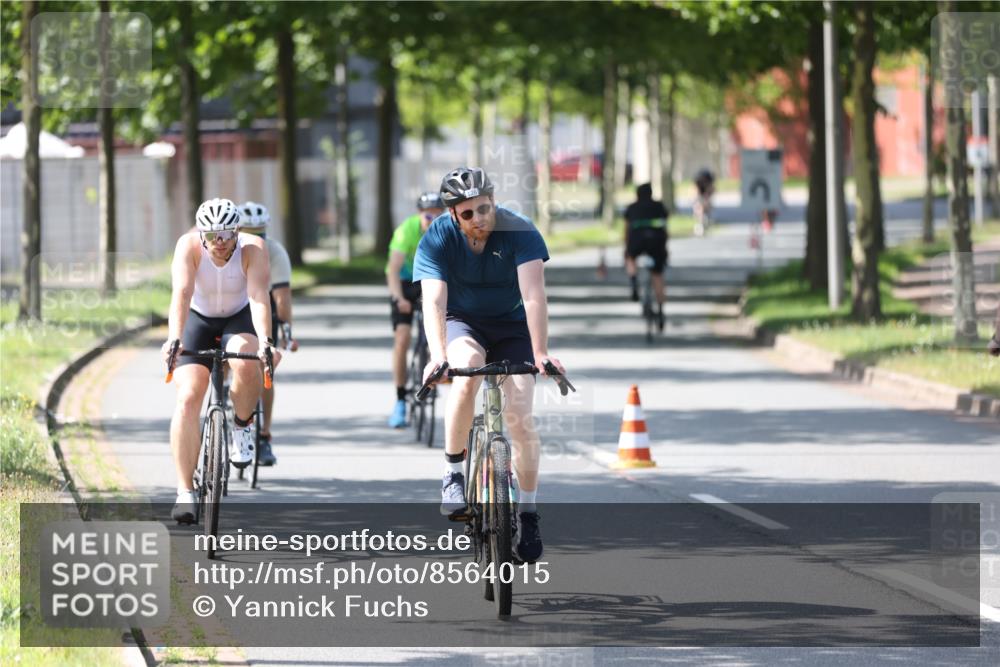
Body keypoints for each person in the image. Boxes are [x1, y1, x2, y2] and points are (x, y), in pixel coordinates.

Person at [413, 167, 566, 563]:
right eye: (468, 213)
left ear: (494, 201)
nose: (479, 218)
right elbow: (434, 301)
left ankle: (528, 513)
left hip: (513, 326)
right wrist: (437, 356)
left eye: (485, 208)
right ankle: (453, 471)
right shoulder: (436, 238)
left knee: (520, 414)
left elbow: (533, 296)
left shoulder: (520, 231)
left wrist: (541, 352)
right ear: (452, 215)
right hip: (463, 322)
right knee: (466, 372)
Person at [162, 197, 278, 524]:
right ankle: (185, 491)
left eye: (227, 234)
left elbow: (258, 297)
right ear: (201, 234)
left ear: (237, 231)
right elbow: (182, 294)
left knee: (247, 363)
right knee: (188, 397)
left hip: (238, 318)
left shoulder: (253, 248)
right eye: (212, 235)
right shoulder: (188, 247)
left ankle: (242, 425)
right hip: (198, 319)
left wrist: (266, 341)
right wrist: (174, 337)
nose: (220, 242)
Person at [239, 201, 297, 465]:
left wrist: (286, 328)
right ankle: (227, 393)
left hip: (263, 304)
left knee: (266, 369)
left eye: (260, 233)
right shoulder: (228, 249)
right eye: (248, 233)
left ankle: (264, 435)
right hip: (233, 306)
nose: (256, 239)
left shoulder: (275, 252)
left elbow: (282, 296)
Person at [385, 192, 445, 428]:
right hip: (405, 284)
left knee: (439, 328)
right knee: (402, 338)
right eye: (428, 216)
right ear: (420, 214)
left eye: (438, 216)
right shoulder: (406, 231)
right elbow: (392, 270)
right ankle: (400, 399)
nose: (433, 221)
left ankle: (434, 364)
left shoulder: (447, 229)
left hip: (431, 280)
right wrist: (398, 298)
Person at [623, 182, 669, 331]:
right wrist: (665, 248)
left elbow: (626, 230)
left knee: (630, 258)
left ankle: (633, 282)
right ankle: (660, 310)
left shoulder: (631, 208)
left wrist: (626, 248)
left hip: (637, 240)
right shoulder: (659, 206)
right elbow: (665, 227)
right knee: (657, 275)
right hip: (656, 241)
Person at [693, 168, 715, 236]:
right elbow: (696, 191)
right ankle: (700, 223)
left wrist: (707, 199)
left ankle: (707, 220)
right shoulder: (697, 181)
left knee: (707, 205)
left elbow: (711, 190)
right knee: (698, 206)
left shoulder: (709, 181)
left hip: (707, 193)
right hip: (700, 194)